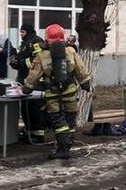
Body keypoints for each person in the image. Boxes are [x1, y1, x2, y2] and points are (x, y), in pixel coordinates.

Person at [24, 23, 92, 160]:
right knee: (70, 119)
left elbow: (33, 75)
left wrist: (27, 87)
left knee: (57, 119)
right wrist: (86, 84)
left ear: (47, 38)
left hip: (52, 93)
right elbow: (81, 69)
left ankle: (62, 149)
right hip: (70, 91)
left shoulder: (42, 55)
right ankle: (67, 145)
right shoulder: (70, 51)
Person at [10, 23, 46, 143]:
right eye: (20, 32)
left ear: (28, 31)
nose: (21, 34)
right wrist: (14, 62)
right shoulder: (25, 43)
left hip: (35, 83)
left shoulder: (36, 42)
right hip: (24, 81)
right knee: (26, 110)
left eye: (23, 32)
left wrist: (20, 62)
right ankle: (29, 133)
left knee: (35, 109)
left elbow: (37, 61)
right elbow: (22, 61)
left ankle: (38, 135)